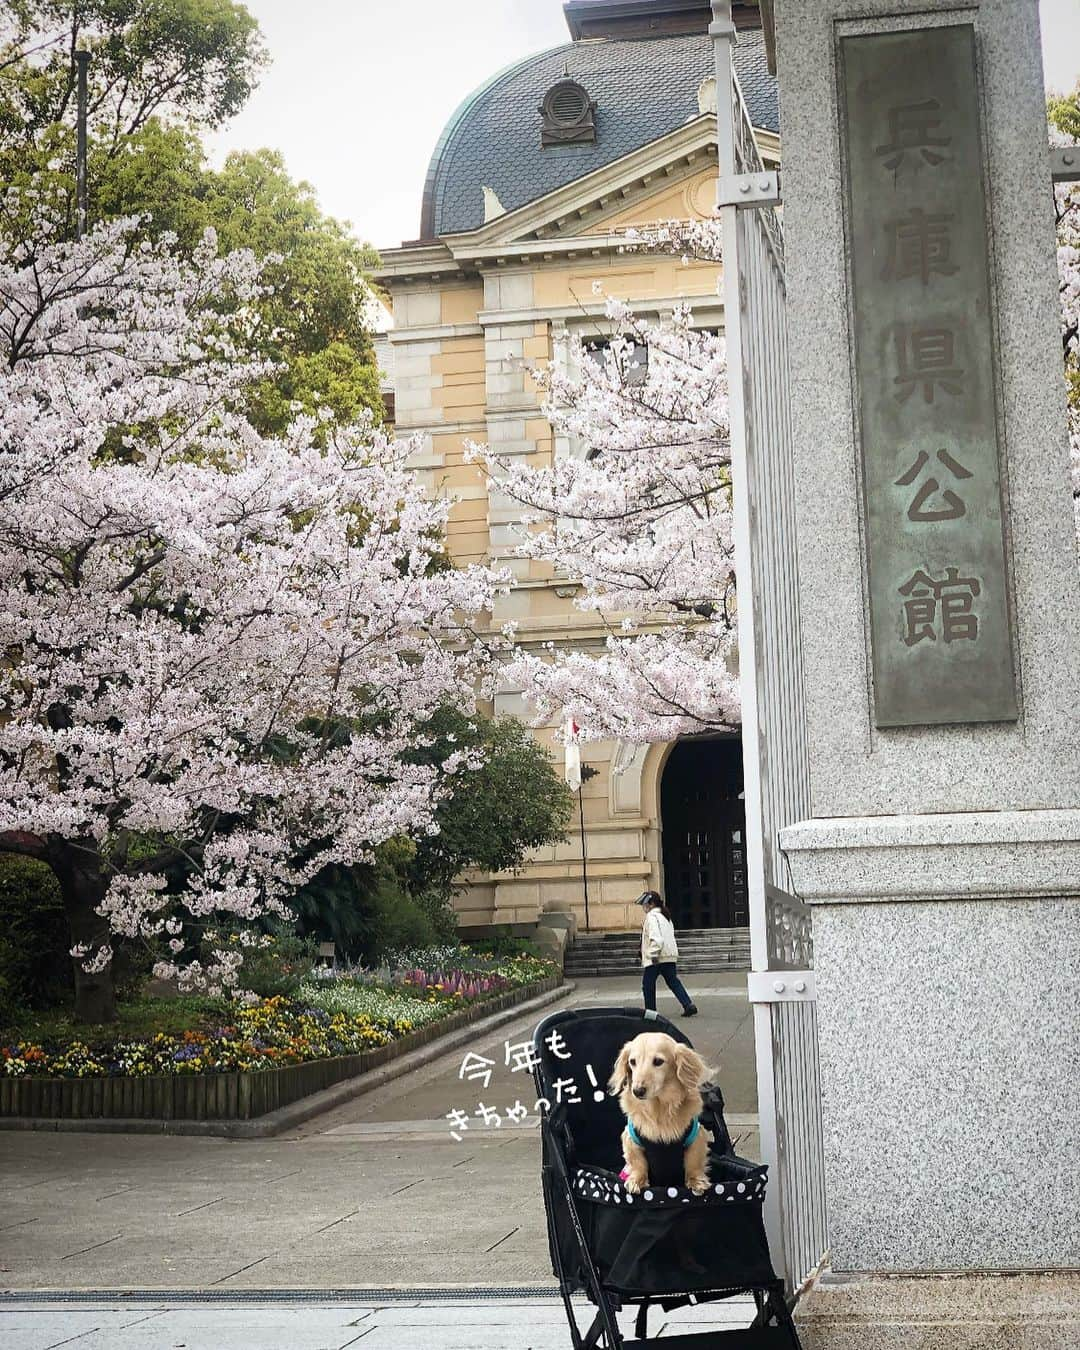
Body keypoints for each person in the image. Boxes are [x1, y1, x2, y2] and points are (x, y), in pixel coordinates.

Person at [636, 890, 698, 1017]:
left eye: (645, 904)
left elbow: (657, 938)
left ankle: (651, 1013)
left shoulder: (652, 916)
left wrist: (652, 954)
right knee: (673, 981)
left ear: (651, 904)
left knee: (648, 985)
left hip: (657, 957)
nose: (644, 907)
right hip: (669, 955)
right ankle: (688, 1004)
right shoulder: (666, 916)